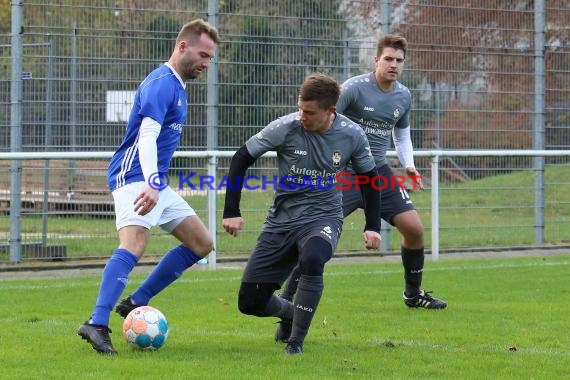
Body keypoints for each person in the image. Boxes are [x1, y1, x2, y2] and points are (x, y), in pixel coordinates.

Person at [275, 34, 447, 343]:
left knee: (415, 229)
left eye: (399, 61)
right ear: (376, 61)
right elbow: (324, 119)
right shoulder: (354, 89)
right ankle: (288, 313)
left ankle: (412, 294)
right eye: (388, 59)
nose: (393, 65)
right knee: (315, 241)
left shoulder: (403, 96)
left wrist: (408, 164)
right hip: (342, 174)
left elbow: (402, 135)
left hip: (376, 171)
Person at [77, 19, 220, 355]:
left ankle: (136, 301)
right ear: (182, 47)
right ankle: (97, 323)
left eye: (211, 58)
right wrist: (153, 183)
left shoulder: (178, 85)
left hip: (154, 179)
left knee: (201, 242)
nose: (207, 63)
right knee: (135, 243)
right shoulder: (161, 84)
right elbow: (146, 137)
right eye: (203, 55)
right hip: (134, 176)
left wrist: (157, 183)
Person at [222, 73, 382, 355]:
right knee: (250, 302)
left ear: (330, 112)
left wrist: (372, 226)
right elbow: (241, 158)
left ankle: (295, 342)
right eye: (300, 108)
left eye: (309, 112)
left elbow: (370, 178)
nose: (302, 116)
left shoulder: (352, 134)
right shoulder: (286, 127)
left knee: (313, 258)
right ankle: (290, 313)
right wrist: (232, 210)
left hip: (323, 217)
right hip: (280, 222)